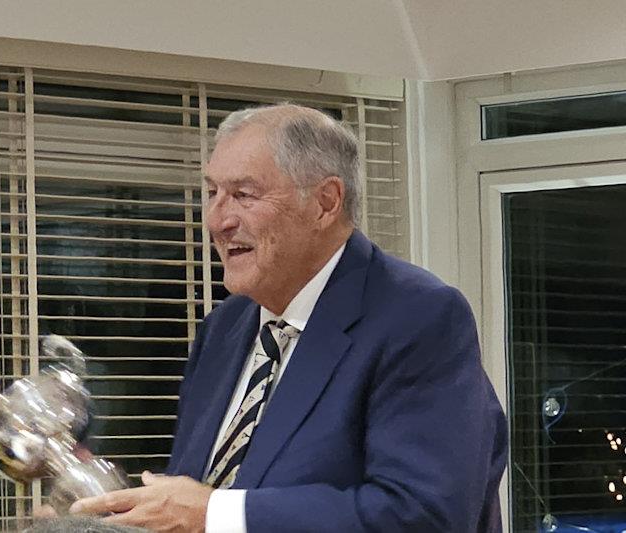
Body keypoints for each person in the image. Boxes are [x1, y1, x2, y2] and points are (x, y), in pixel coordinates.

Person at [69, 104, 508, 532]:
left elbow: (423, 515)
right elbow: (200, 499)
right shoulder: (224, 328)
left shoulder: (417, 316)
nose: (218, 220)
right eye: (212, 192)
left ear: (325, 202)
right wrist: (109, 510)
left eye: (243, 194)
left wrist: (215, 515)